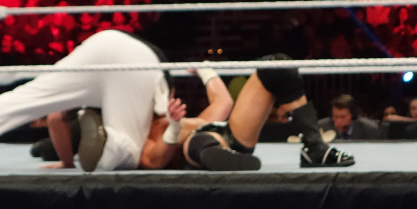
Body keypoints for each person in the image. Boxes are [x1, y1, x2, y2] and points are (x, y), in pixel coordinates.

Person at [0, 29, 171, 171]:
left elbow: (55, 117)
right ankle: (106, 139)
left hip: (104, 41)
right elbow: (162, 130)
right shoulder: (162, 86)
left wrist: (67, 163)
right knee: (130, 154)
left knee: (25, 98)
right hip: (141, 61)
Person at [82, 54, 355, 170]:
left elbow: (223, 104)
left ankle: (314, 148)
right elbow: (154, 160)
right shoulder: (140, 139)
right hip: (198, 148)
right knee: (196, 142)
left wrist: (205, 70)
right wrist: (174, 129)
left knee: (276, 65)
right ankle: (219, 156)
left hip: (232, 132)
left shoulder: (185, 118)